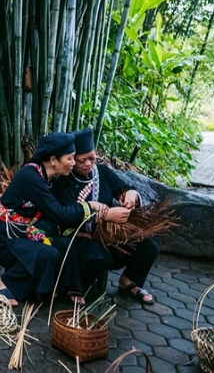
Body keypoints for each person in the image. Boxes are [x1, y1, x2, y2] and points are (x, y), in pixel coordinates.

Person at [0, 132, 110, 306]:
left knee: (63, 244)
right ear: (54, 160)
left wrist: (74, 233)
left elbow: (56, 217)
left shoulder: (50, 181)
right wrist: (90, 206)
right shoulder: (31, 177)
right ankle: (6, 282)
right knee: (48, 253)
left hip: (27, 236)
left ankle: (64, 287)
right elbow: (59, 213)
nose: (73, 163)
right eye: (70, 158)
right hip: (5, 239)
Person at [53, 128, 159, 305]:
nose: (88, 164)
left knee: (149, 247)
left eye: (92, 158)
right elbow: (66, 216)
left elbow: (124, 189)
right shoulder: (64, 182)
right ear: (71, 159)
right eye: (82, 160)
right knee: (99, 256)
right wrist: (105, 215)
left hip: (109, 236)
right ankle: (75, 285)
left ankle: (128, 281)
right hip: (80, 238)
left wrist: (131, 196)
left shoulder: (102, 172)